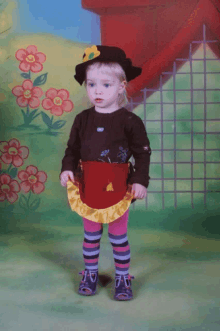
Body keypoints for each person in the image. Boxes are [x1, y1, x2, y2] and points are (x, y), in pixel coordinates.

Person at [60, 45, 151, 301]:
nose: (97, 91)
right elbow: (72, 149)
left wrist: (140, 181)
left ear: (121, 86)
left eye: (106, 85)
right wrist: (67, 168)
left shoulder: (131, 122)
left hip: (118, 186)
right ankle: (90, 272)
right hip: (88, 184)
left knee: (118, 236)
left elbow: (142, 154)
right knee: (91, 235)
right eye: (91, 84)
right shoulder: (82, 119)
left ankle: (122, 277)